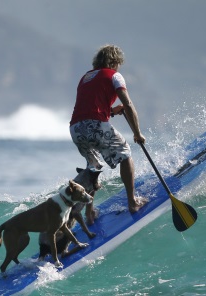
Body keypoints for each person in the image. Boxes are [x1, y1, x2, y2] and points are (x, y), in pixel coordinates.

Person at [69, 44, 148, 225]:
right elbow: (128, 104)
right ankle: (132, 202)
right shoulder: (114, 75)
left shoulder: (86, 77)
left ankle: (89, 213)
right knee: (126, 154)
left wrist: (111, 111)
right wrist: (137, 133)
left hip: (75, 128)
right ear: (114, 61)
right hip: (95, 125)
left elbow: (89, 108)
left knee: (93, 167)